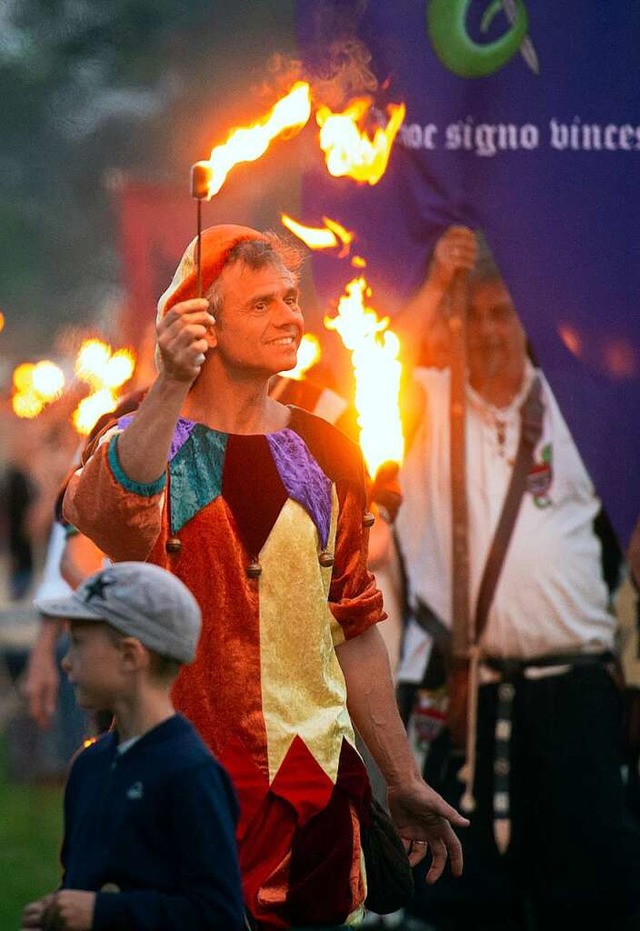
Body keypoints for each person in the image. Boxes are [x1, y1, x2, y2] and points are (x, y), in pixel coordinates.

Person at [60, 224, 468, 930]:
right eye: (262, 304)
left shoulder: (330, 451)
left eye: (289, 297)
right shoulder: (137, 431)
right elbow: (109, 515)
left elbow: (356, 627)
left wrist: (400, 775)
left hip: (308, 800)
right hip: (177, 793)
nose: (290, 315)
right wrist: (170, 382)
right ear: (201, 325)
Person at [392, 226, 640, 931]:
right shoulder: (424, 404)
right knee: (465, 901)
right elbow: (372, 358)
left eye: (505, 314)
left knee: (593, 897)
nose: (490, 329)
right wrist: (438, 282)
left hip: (575, 695)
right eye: (476, 314)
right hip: (466, 694)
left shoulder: (582, 407)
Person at [21, 560, 245, 931]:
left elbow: (217, 914)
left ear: (130, 655)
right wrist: (56, 915)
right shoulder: (88, 766)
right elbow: (82, 886)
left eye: (77, 643)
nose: (65, 662)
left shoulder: (191, 774)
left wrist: (102, 913)